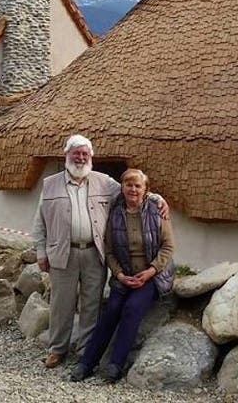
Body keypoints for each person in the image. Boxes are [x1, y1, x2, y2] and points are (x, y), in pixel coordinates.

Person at [33, 136, 168, 369]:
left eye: (85, 153)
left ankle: (85, 350)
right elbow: (40, 222)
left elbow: (133, 190)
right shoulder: (50, 184)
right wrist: (41, 252)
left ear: (91, 156)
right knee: (61, 304)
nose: (80, 157)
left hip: (95, 253)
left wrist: (156, 197)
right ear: (67, 155)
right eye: (76, 153)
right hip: (62, 252)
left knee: (91, 304)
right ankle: (57, 350)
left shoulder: (104, 182)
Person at [70, 168, 174, 383]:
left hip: (152, 275)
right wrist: (119, 273)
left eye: (138, 186)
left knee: (132, 308)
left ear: (145, 190)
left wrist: (150, 271)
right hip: (124, 275)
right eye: (129, 184)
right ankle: (87, 363)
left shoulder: (156, 209)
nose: (133, 189)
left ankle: (115, 365)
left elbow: (168, 246)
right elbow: (108, 250)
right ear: (123, 187)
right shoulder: (115, 212)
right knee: (111, 310)